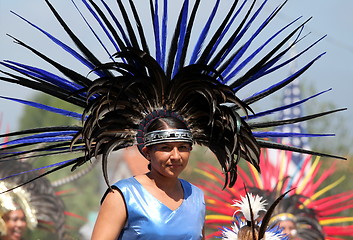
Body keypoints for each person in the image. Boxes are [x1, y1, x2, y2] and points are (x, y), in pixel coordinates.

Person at [92, 117, 205, 239]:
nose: (176, 156)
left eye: (182, 147)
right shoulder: (123, 195)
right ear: (147, 153)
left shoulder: (196, 196)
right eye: (165, 148)